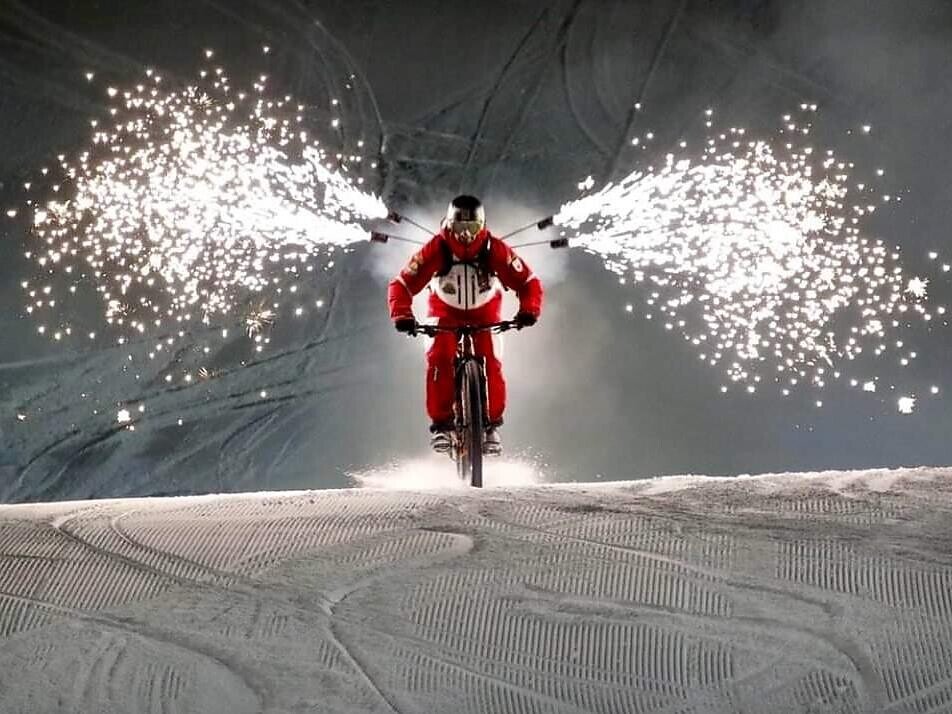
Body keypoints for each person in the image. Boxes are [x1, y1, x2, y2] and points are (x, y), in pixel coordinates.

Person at [388, 195, 543, 455]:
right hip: (444, 312)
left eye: (473, 227)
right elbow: (401, 284)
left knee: (491, 360)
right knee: (440, 357)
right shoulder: (437, 249)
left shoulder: (494, 249)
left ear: (482, 225)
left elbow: (529, 282)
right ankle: (442, 425)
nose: (467, 235)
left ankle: (491, 425)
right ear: (450, 224)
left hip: (486, 313)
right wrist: (402, 315)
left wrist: (529, 310)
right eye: (460, 227)